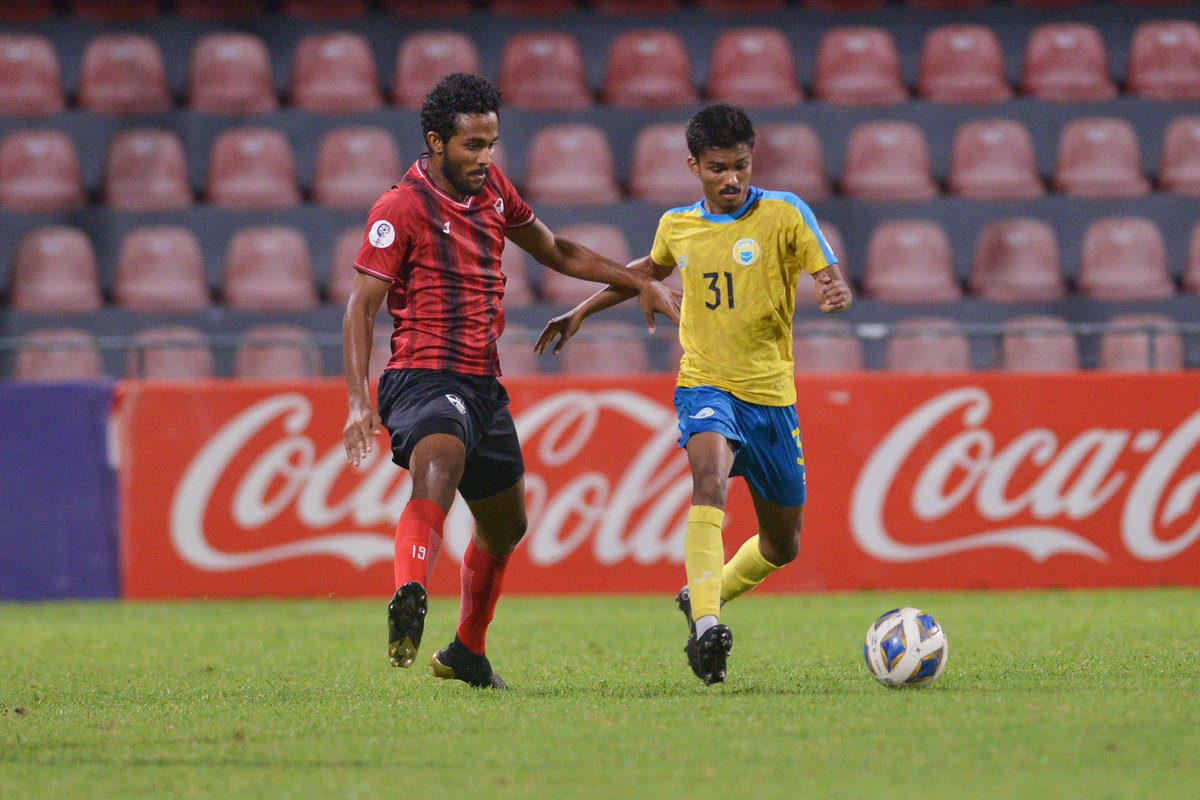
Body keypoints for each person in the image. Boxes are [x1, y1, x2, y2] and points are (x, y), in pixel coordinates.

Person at [342, 73, 678, 690]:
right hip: (421, 375)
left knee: (505, 526)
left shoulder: (494, 189)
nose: (485, 157)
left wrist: (639, 282)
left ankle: (467, 653)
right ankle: (409, 591)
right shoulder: (400, 207)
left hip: (482, 383)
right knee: (438, 462)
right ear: (436, 143)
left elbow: (557, 251)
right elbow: (360, 308)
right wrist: (357, 402)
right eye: (472, 145)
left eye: (491, 144)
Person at [536, 103, 853, 685]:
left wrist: (834, 290)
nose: (731, 179)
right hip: (704, 384)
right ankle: (708, 627)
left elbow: (828, 275)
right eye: (717, 168)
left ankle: (702, 594)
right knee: (709, 483)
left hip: (771, 397)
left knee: (782, 545)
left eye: (740, 166)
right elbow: (646, 272)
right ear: (694, 166)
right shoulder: (677, 225)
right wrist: (582, 309)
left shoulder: (785, 213)